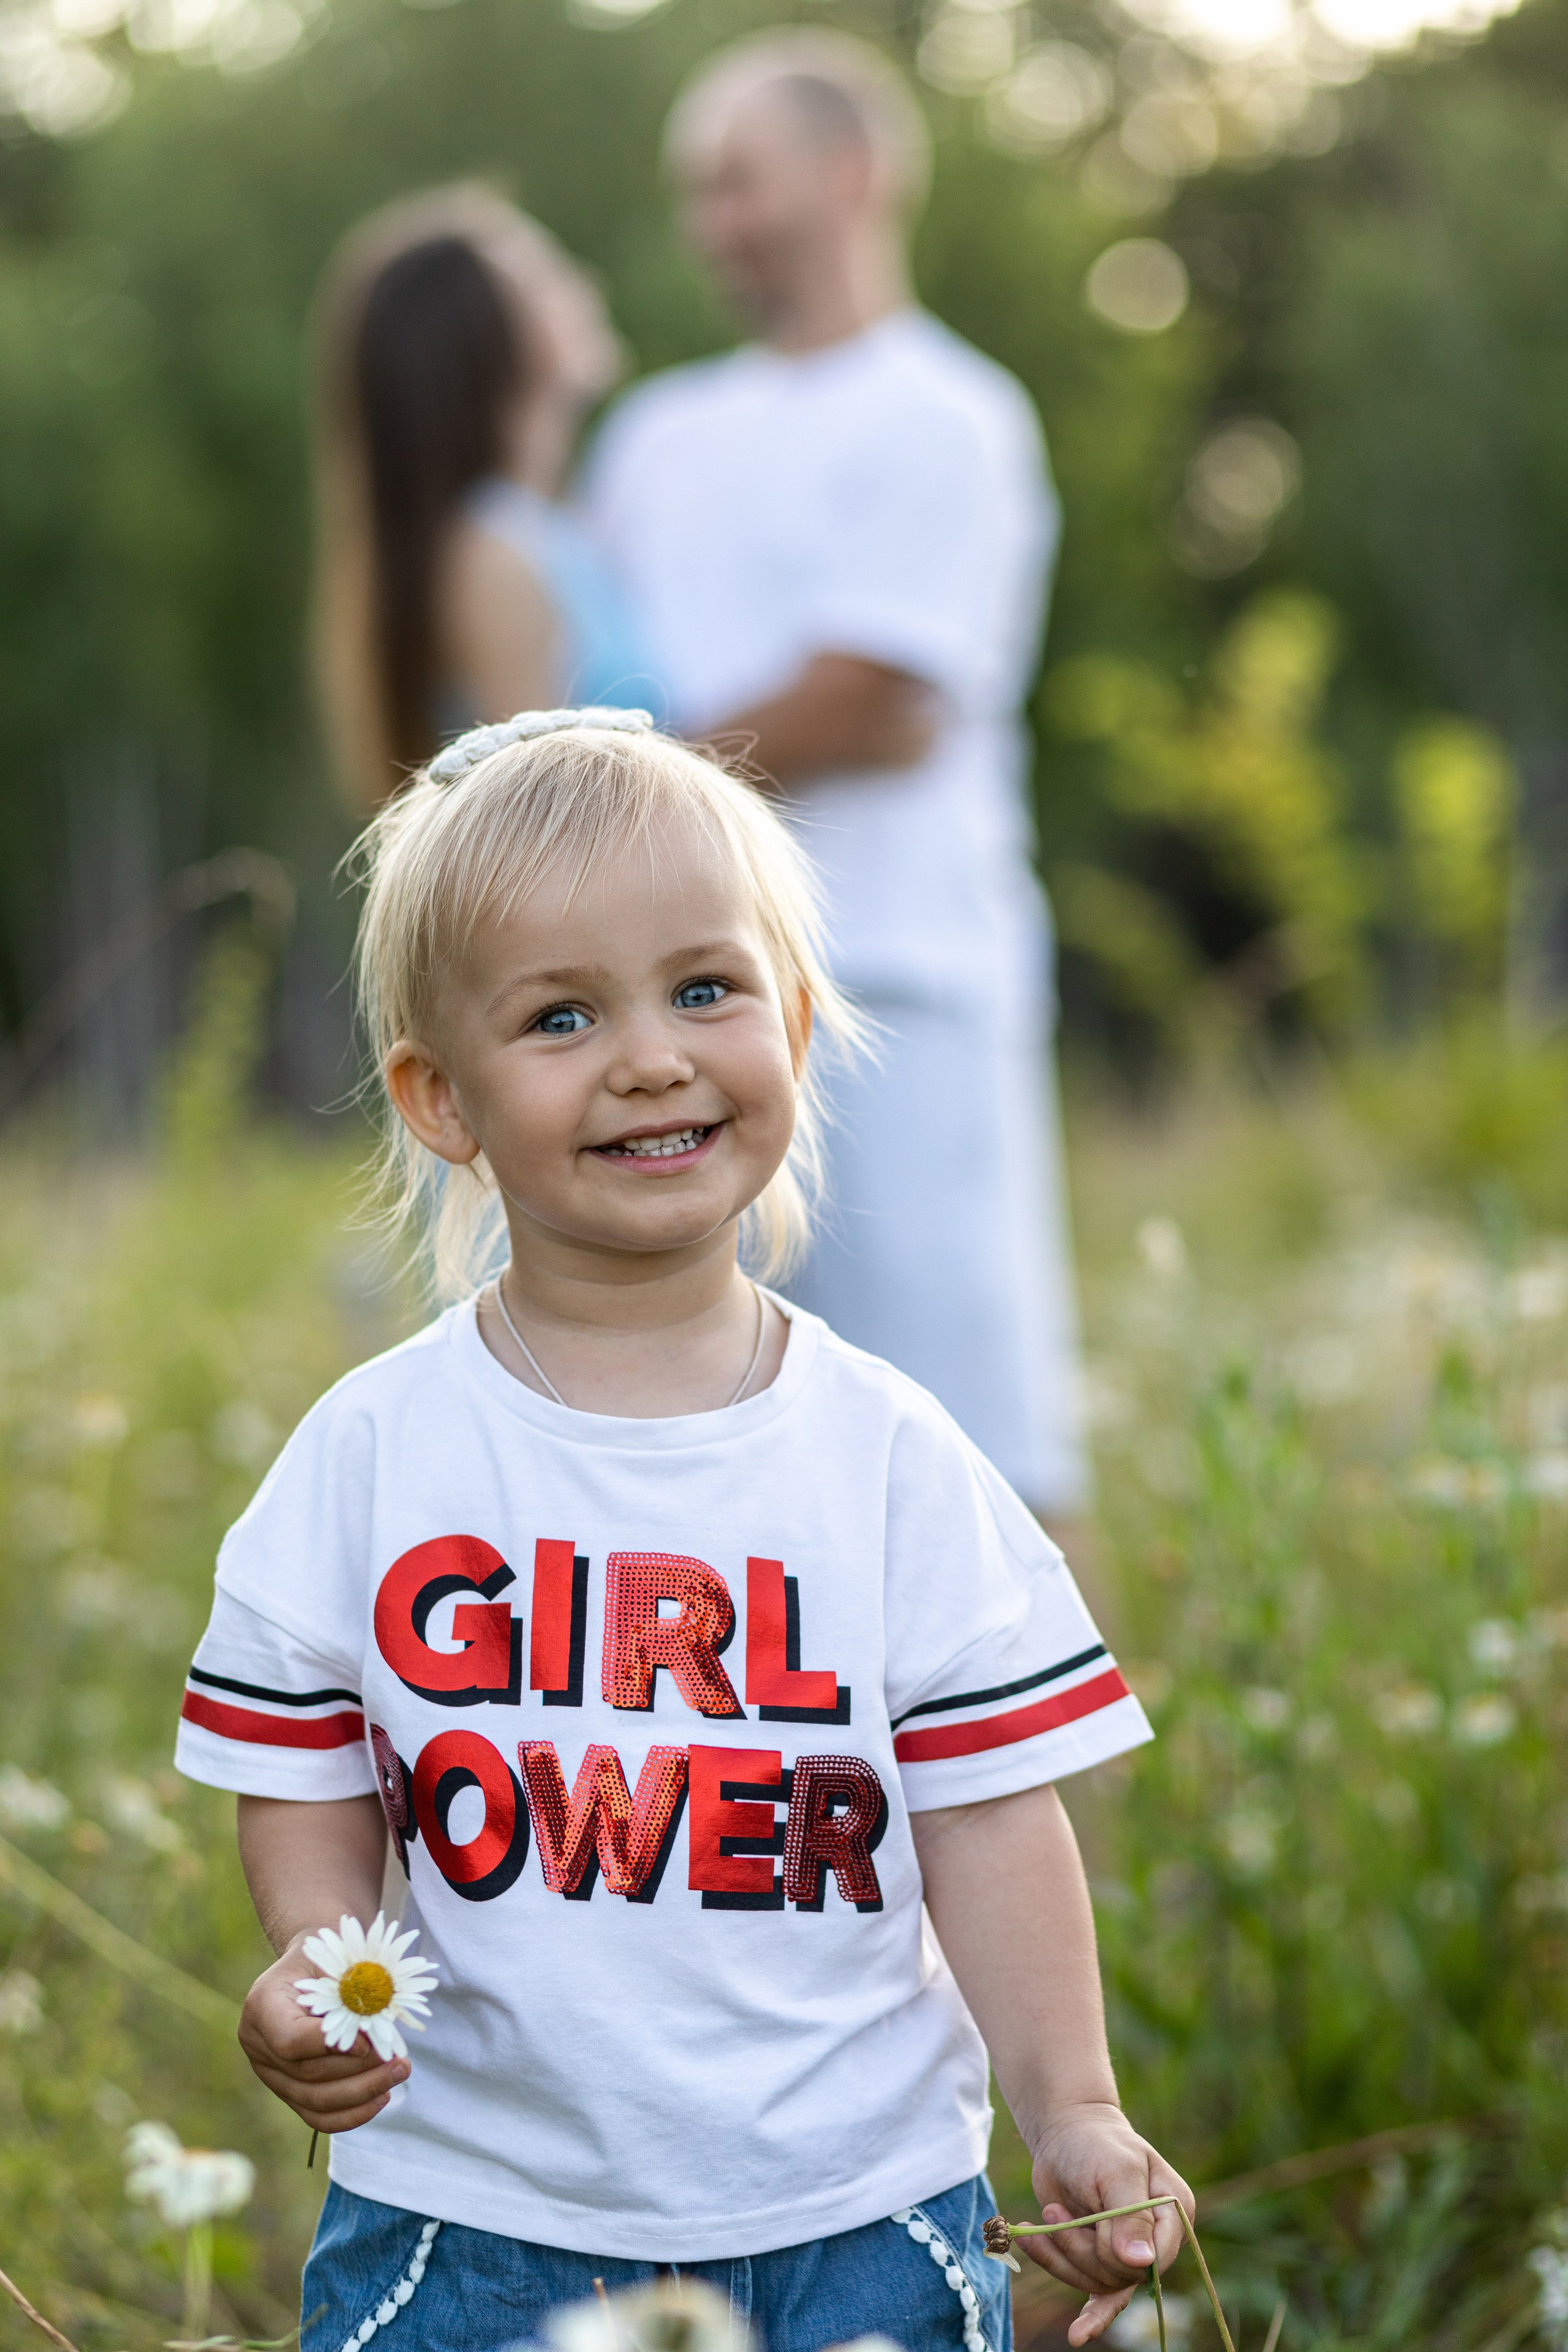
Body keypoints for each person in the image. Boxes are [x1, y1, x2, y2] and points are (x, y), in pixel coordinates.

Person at [174, 710, 1188, 2352]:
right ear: (440, 1098)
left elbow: (989, 1816)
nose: (651, 1057)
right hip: (472, 2217)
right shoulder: (376, 1450)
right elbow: (302, 1753)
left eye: (705, 990)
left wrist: (1070, 2101)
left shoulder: (887, 1455)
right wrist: (315, 1957)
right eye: (561, 1015)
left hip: (853, 2213)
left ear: (793, 1021)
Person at [586, 31, 1085, 1527]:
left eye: (737, 181)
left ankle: (1054, 1699)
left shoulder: (947, 412)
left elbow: (877, 700)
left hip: (896, 997)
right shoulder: (652, 437)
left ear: (852, 173)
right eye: (695, 190)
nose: (711, 223)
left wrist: (612, 794)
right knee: (700, 1467)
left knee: (966, 1461)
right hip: (671, 1020)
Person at [313, 187, 654, 811]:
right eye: (547, 276)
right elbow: (538, 823)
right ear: (484, 338)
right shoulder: (493, 558)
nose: (585, 285)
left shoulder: (537, 531)